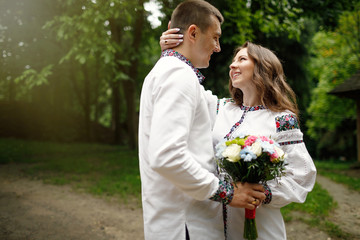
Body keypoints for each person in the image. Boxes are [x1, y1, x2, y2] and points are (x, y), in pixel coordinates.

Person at [160, 36, 317, 239]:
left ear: (263, 66)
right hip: (212, 224)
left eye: (242, 59)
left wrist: (263, 193)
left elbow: (302, 173)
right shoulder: (219, 107)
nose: (232, 65)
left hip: (260, 225)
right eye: (233, 61)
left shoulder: (282, 119)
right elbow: (189, 87)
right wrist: (172, 54)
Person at [138, 1, 266, 240]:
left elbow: (212, 105)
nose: (218, 48)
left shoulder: (169, 71)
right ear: (193, 33)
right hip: (187, 225)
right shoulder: (179, 75)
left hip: (177, 219)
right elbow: (166, 155)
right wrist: (226, 192)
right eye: (215, 38)